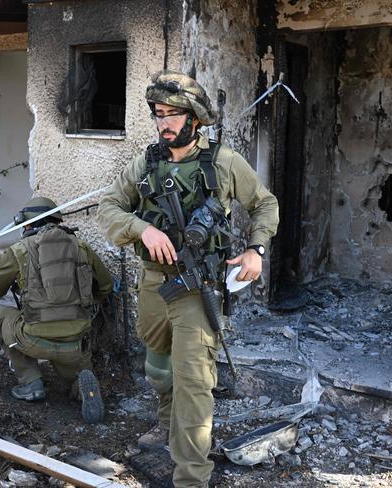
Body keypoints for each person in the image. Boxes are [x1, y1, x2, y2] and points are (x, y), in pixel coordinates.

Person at [97, 70, 279, 486]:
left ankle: (191, 477)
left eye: (173, 115)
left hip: (199, 287)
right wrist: (142, 229)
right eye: (159, 114)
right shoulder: (146, 164)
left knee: (194, 383)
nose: (164, 123)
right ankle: (167, 424)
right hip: (154, 283)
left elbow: (264, 205)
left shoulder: (224, 163)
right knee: (159, 370)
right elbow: (108, 207)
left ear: (194, 119)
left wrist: (257, 250)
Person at [0, 197, 114, 423]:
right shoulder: (81, 247)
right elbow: (106, 286)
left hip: (34, 339)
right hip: (75, 341)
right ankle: (82, 389)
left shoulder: (19, 250)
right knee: (77, 375)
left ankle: (31, 383)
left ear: (28, 224)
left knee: (4, 317)